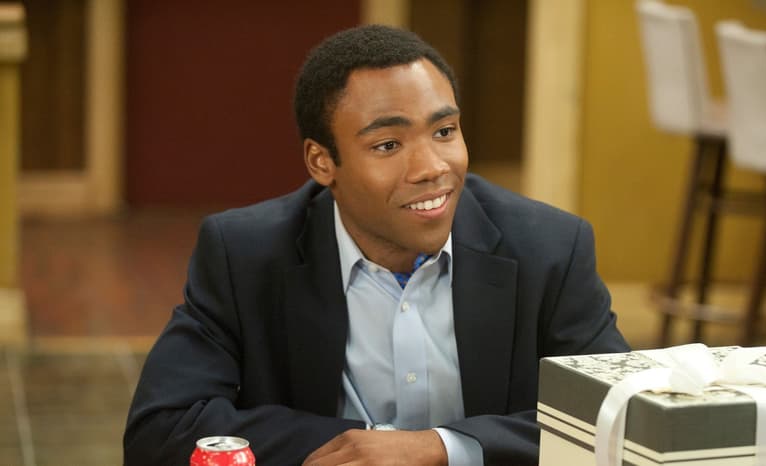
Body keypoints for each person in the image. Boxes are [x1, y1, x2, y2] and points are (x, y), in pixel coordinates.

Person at [123, 24, 629, 466]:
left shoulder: (549, 248)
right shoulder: (245, 253)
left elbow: (617, 420)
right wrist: (362, 448)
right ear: (322, 162)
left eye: (445, 131)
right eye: (388, 145)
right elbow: (161, 430)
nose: (432, 167)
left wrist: (440, 448)